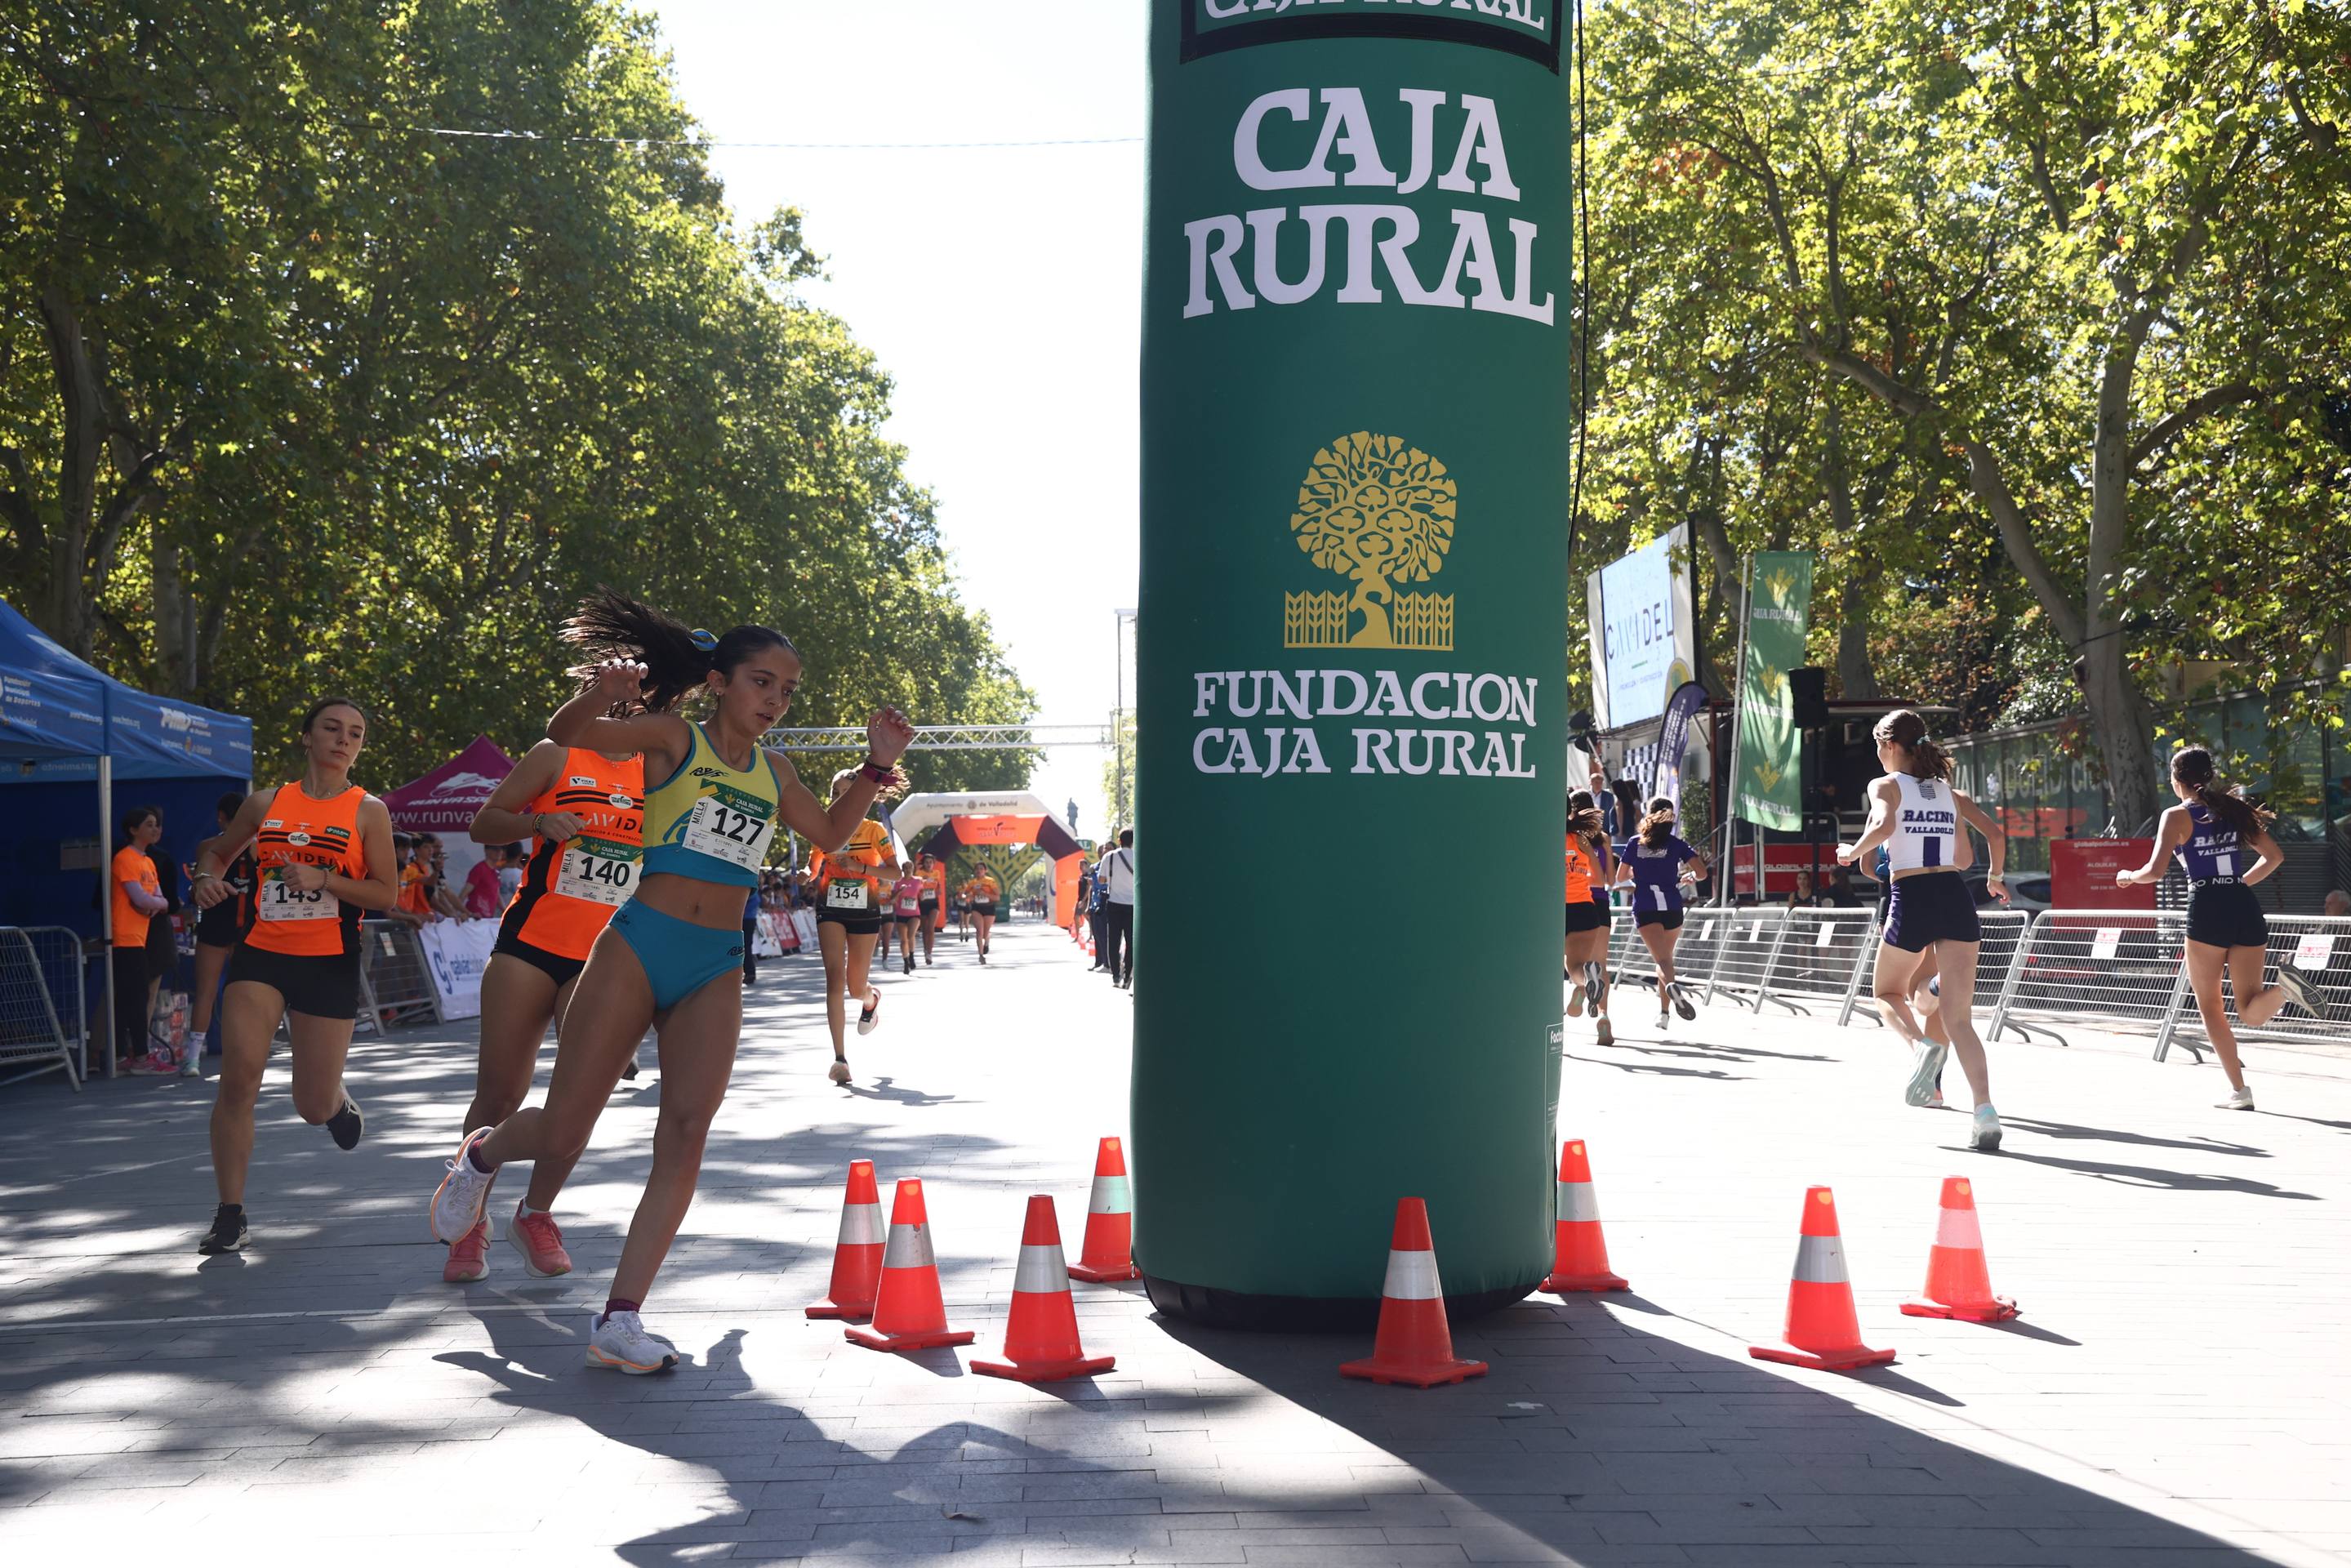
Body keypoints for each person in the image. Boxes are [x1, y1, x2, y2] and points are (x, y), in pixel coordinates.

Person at [428, 591, 913, 1374]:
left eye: (787, 691)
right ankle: (481, 1159)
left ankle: (620, 1318)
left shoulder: (775, 769)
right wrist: (600, 694)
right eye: (762, 683)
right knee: (561, 1130)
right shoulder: (670, 738)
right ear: (719, 681)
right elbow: (567, 738)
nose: (776, 701)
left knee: (686, 1135)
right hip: (636, 945)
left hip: (715, 960)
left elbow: (826, 834)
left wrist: (876, 764)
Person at [192, 697, 399, 1253]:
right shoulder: (266, 803)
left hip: (329, 961)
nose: (343, 740)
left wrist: (325, 879)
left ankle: (333, 1103)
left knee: (309, 1105)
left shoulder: (367, 811)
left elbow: (387, 893)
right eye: (331, 728)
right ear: (306, 736)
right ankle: (229, 1213)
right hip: (262, 955)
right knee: (239, 1078)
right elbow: (214, 854)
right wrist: (204, 880)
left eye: (354, 733)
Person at [440, 734, 648, 1283]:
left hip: (609, 952)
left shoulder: (670, 769)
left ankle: (535, 1214)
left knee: (579, 1100)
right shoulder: (559, 754)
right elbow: (485, 824)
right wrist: (537, 824)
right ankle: (469, 1224)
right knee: (500, 1092)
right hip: (530, 944)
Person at [1837, 709, 2010, 1152]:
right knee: (1959, 1021)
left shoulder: (1886, 785)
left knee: (1885, 992)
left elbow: (1884, 825)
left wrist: (1850, 851)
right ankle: (1985, 1112)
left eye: (1878, 746)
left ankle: (1919, 1047)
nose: (1878, 755)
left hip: (1911, 894)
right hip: (1954, 895)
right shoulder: (1949, 793)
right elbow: (1994, 834)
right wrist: (1994, 877)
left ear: (1891, 746)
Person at [2116, 746, 2319, 1111]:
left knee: (2211, 1007)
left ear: (2177, 780)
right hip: (2243, 904)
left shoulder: (2176, 816)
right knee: (2250, 1008)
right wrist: (2238, 884)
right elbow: (2275, 856)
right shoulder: (2234, 809)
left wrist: (2129, 876)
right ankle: (2285, 990)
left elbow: (2155, 871)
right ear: (2209, 776)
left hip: (2207, 906)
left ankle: (2239, 1091)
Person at [811, 769, 901, 1079]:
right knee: (834, 979)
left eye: (847, 794)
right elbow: (814, 866)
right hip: (829, 907)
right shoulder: (823, 827)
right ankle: (840, 1059)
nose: (839, 799)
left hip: (865, 910)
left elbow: (896, 873)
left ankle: (870, 999)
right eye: (835, 793)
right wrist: (806, 876)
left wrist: (861, 866)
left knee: (854, 987)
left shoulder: (874, 830)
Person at [1615, 798, 1708, 1030]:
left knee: (1662, 960)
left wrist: (1641, 874)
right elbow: (1702, 873)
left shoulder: (1635, 843)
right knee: (1666, 958)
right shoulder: (1677, 844)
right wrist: (1688, 878)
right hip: (1672, 908)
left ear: (1649, 814)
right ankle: (1664, 1014)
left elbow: (1620, 877)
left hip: (1646, 907)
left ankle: (1670, 990)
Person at [185, 791, 255, 1080]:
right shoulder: (255, 846)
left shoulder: (211, 847)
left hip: (224, 925)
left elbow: (196, 888)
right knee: (237, 994)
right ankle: (240, 1053)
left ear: (221, 817)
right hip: (236, 926)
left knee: (209, 992)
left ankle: (193, 1059)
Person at [110, 806, 168, 1071]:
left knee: (135, 995)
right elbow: (142, 898)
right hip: (124, 937)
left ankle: (128, 1054)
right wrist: (156, 903)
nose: (155, 829)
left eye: (156, 824)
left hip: (139, 937)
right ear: (133, 830)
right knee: (133, 997)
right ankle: (138, 1056)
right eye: (149, 824)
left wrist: (156, 903)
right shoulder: (125, 859)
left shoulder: (148, 861)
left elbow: (159, 900)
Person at [1564, 791, 1615, 1045]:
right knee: (1579, 964)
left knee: (1561, 966)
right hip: (1586, 907)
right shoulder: (1582, 840)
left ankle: (1575, 994)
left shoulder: (1546, 837)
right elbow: (1598, 881)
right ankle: (1586, 981)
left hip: (1555, 909)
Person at [1098, 828, 1136, 988]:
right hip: (1132, 905)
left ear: (1119, 840)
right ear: (1133, 841)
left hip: (1114, 903)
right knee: (1130, 941)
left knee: (1113, 940)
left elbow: (1101, 880)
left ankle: (1115, 975)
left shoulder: (1109, 857)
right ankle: (1128, 974)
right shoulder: (1137, 856)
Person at [889, 862, 926, 976]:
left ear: (913, 869)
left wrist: (923, 894)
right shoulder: (898, 882)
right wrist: (900, 891)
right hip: (901, 914)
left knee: (910, 936)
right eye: (905, 868)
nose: (908, 870)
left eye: (910, 867)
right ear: (903, 869)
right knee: (903, 940)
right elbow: (892, 900)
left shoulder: (918, 881)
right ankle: (906, 962)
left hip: (914, 913)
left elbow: (922, 894)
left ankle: (912, 956)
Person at [966, 859, 1002, 963]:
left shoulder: (990, 881)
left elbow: (997, 897)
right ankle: (981, 955)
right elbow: (965, 894)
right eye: (977, 869)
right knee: (979, 932)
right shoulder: (972, 883)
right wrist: (968, 896)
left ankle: (987, 942)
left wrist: (985, 894)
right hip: (977, 908)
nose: (979, 871)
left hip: (989, 907)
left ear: (985, 870)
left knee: (985, 933)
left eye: (981, 869)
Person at [917, 851, 945, 965]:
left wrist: (938, 891)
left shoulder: (937, 873)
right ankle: (925, 950)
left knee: (930, 928)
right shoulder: (919, 873)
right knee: (925, 930)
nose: (929, 864)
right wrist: (921, 893)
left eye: (931, 862)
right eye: (927, 862)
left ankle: (930, 953)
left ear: (934, 864)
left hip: (933, 903)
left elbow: (939, 888)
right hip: (923, 903)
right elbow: (916, 888)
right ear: (923, 863)